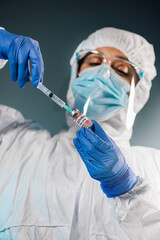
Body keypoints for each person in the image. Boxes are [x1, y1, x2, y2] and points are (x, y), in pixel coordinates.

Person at [0, 26, 160, 240]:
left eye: (121, 70)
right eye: (94, 63)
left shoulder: (155, 166)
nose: (103, 73)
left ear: (137, 92)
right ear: (75, 72)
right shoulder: (14, 142)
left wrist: (126, 188)